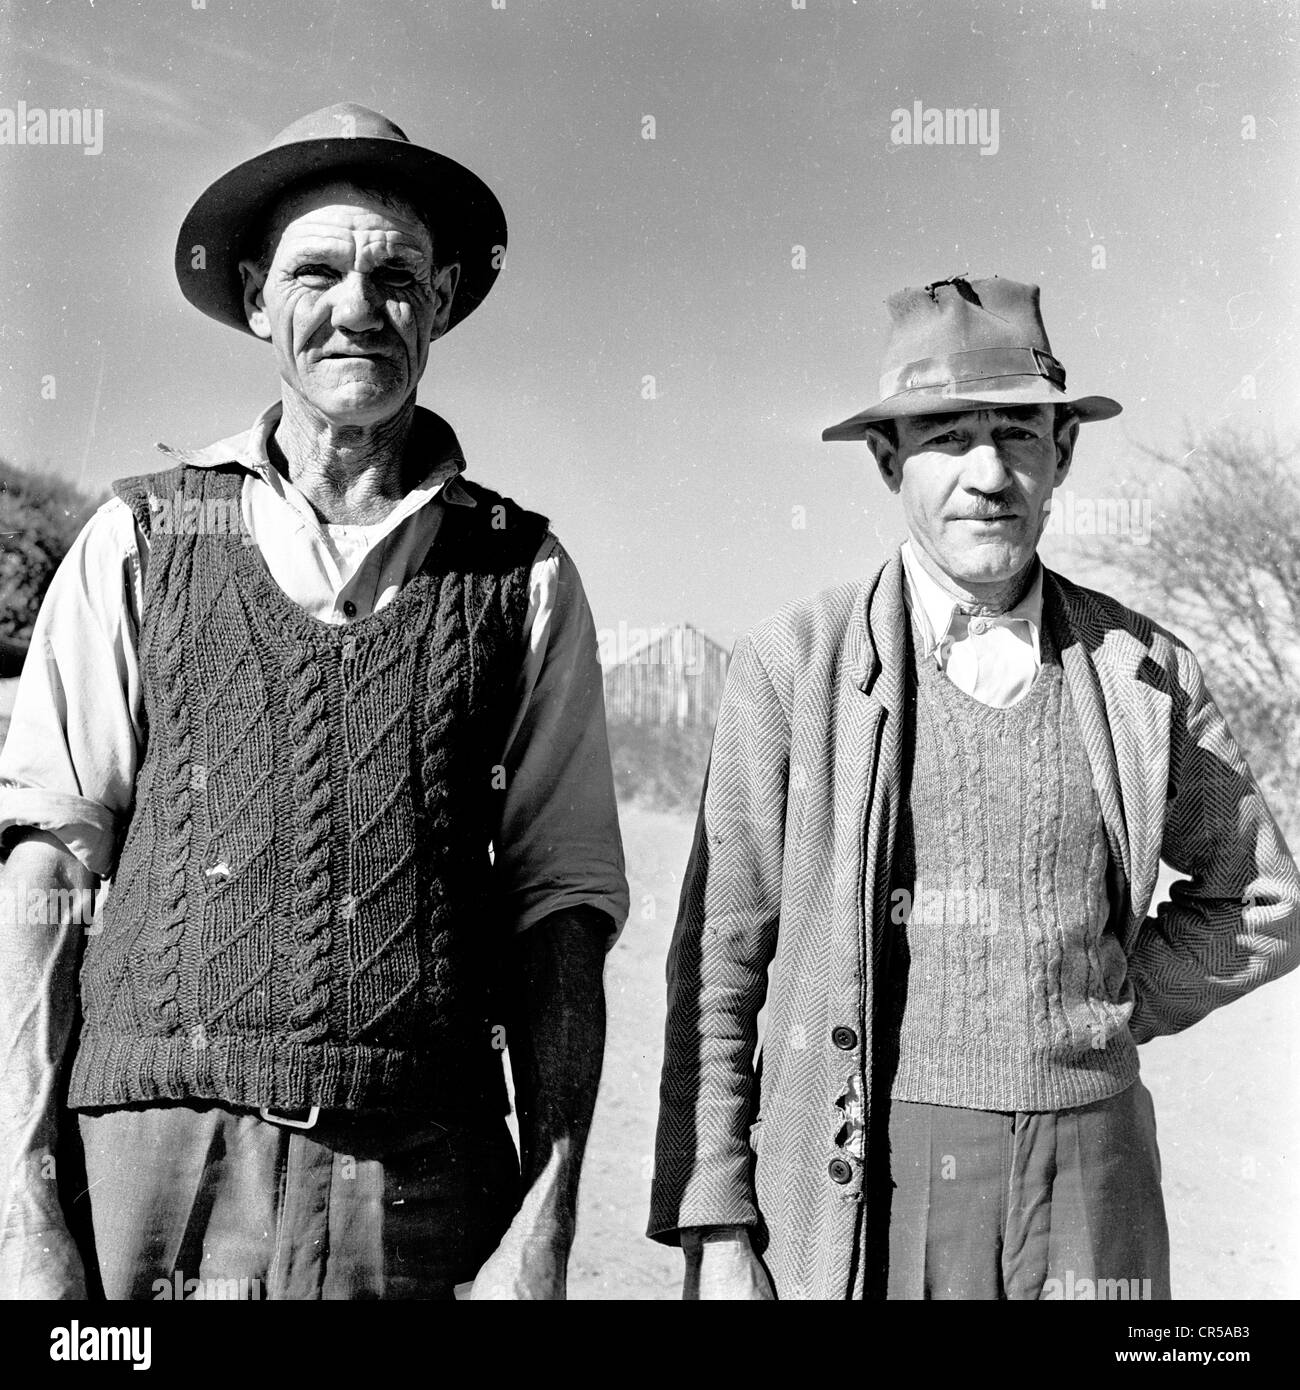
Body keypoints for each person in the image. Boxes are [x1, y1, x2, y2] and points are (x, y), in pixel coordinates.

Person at [0, 102, 627, 1301]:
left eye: (396, 274)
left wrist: (545, 1220)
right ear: (254, 298)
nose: (357, 306)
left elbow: (564, 907)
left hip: (421, 1183)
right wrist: (23, 1201)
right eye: (317, 271)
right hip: (143, 1165)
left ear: (440, 301)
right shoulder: (142, 534)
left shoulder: (523, 571)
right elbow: (48, 872)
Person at [648, 275, 1300, 1300]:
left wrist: (1113, 1006)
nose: (988, 473)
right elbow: (720, 965)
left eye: (1020, 436)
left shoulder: (1145, 670)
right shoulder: (791, 665)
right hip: (880, 1174)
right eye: (946, 437)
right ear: (886, 460)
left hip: (1097, 1176)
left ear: (1062, 456)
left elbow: (1263, 901)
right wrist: (717, 1223)